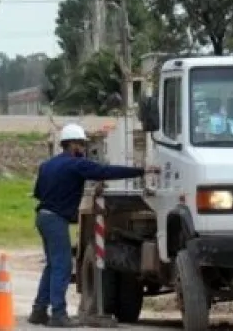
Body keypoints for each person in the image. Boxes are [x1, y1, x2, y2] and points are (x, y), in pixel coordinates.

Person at [29, 123, 157, 327]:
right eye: (81, 144)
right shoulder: (76, 164)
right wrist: (141, 171)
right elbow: (105, 171)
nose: (83, 148)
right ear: (73, 145)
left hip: (43, 217)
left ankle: (39, 311)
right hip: (55, 220)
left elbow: (39, 193)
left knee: (52, 265)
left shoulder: (47, 165)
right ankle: (58, 314)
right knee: (62, 265)